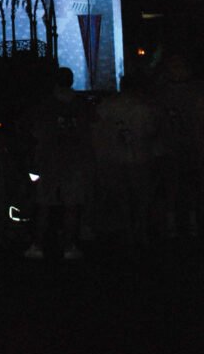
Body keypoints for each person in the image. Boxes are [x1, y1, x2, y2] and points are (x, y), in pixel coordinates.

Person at [23, 67, 93, 261]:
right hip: (74, 160)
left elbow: (35, 132)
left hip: (48, 160)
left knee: (44, 204)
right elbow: (88, 132)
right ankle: (69, 246)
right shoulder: (80, 104)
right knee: (71, 205)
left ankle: (38, 245)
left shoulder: (45, 104)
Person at [94, 72, 159, 244]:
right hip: (140, 156)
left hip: (115, 156)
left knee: (122, 194)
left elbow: (97, 127)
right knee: (141, 195)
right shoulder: (144, 106)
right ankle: (142, 228)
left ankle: (128, 227)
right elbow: (152, 130)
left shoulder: (108, 104)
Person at [155, 54, 204, 238]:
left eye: (179, 67)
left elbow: (199, 119)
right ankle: (173, 222)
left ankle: (190, 220)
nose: (176, 71)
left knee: (190, 183)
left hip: (189, 144)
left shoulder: (196, 89)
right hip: (171, 145)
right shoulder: (163, 90)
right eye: (173, 67)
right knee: (172, 184)